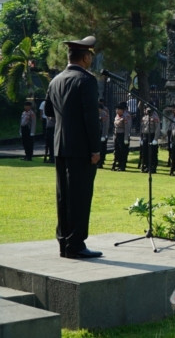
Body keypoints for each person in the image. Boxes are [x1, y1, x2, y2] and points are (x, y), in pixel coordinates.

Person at [44, 35, 102, 259]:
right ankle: (76, 244)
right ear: (86, 57)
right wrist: (95, 150)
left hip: (60, 145)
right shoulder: (86, 81)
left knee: (63, 195)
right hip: (81, 149)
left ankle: (64, 242)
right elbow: (91, 118)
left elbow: (49, 111)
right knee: (80, 196)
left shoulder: (56, 80)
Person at [140, 108, 161, 174]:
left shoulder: (155, 117)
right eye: (146, 109)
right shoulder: (144, 117)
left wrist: (155, 139)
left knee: (152, 153)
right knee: (145, 152)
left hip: (152, 135)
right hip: (145, 136)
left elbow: (157, 128)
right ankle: (145, 166)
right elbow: (142, 128)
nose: (147, 110)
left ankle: (152, 167)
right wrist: (141, 138)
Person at [112, 102, 131, 171]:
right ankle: (118, 164)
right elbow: (115, 127)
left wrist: (126, 138)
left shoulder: (126, 116)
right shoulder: (117, 116)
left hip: (123, 135)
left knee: (123, 151)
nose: (116, 111)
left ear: (122, 110)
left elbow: (127, 128)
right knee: (117, 151)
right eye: (116, 109)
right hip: (117, 135)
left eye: (118, 109)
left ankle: (122, 166)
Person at [97, 100, 109, 168]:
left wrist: (104, 135)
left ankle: (100, 162)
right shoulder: (97, 113)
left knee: (101, 149)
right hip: (98, 133)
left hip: (102, 133)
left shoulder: (104, 114)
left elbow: (105, 125)